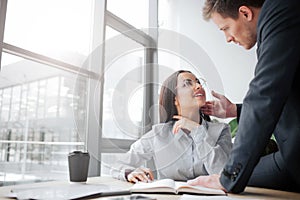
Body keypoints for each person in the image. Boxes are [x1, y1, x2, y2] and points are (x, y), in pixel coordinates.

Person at [188, 0, 300, 193]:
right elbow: (283, 95)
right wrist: (235, 110)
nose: (228, 38)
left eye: (226, 28)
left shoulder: (281, 12)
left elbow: (264, 95)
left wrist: (228, 179)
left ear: (245, 13)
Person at [110, 70, 232, 183]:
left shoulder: (221, 130)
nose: (198, 86)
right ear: (175, 99)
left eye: (198, 82)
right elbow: (118, 165)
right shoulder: (159, 134)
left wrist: (197, 131)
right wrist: (130, 172)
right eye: (187, 84)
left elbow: (226, 175)